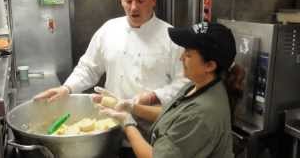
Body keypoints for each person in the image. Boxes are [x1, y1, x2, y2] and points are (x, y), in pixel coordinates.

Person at [34, 0, 188, 157]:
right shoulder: (109, 30)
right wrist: (66, 88)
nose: (133, 8)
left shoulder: (170, 37)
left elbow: (184, 83)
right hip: (112, 127)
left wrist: (154, 95)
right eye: (128, 1)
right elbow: (88, 68)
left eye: (140, 1)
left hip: (154, 130)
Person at [98, 22, 245, 158]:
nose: (181, 58)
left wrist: (128, 123)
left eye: (188, 54)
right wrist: (131, 107)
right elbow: (172, 114)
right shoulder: (196, 85)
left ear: (209, 66)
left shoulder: (201, 113)